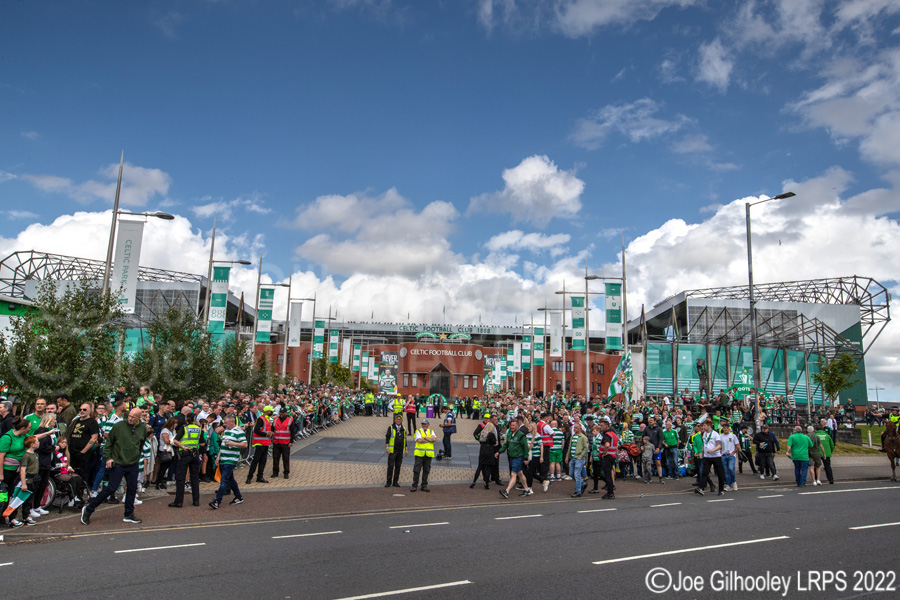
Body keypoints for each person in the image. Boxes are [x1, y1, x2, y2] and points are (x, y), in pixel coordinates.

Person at [80, 408, 150, 525]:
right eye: (129, 416)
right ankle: (88, 509)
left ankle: (128, 514)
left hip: (133, 463)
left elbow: (141, 443)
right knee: (111, 488)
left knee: (132, 488)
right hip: (118, 463)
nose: (130, 418)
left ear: (139, 418)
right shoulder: (119, 426)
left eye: (133, 417)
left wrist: (137, 456)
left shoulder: (142, 428)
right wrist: (108, 457)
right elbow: (108, 443)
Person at [209, 414, 246, 509]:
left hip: (231, 459)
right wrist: (218, 457)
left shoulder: (239, 431)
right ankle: (238, 496)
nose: (225, 425)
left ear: (232, 422)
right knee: (230, 479)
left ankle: (217, 501)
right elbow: (223, 445)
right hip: (223, 458)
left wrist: (233, 443)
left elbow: (244, 444)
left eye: (226, 423)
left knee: (224, 480)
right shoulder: (226, 431)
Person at [1, 417, 31, 527]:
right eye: (28, 428)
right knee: (3, 495)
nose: (29, 430)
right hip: (6, 470)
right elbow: (1, 457)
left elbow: (34, 438)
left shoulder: (23, 436)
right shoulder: (7, 437)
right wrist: (0, 474)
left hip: (16, 470)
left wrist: (48, 433)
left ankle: (8, 516)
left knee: (12, 494)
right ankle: (2, 517)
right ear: (23, 428)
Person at [169, 413, 203, 508]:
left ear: (186, 419)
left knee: (180, 478)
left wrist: (183, 447)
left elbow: (175, 440)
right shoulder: (198, 429)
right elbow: (202, 442)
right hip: (195, 454)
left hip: (184, 455)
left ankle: (178, 502)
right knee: (195, 479)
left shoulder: (184, 428)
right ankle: (196, 500)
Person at [496, 418, 533, 498]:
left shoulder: (521, 435)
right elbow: (506, 445)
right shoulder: (510, 434)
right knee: (520, 473)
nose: (512, 427)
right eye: (511, 425)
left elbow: (525, 447)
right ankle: (527, 490)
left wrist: (526, 458)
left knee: (513, 474)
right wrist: (499, 452)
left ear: (517, 426)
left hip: (518, 457)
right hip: (512, 457)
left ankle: (507, 491)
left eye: (513, 425)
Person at [695, 420, 725, 496]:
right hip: (707, 457)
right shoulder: (704, 434)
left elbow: (719, 445)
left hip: (716, 456)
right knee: (705, 472)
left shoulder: (715, 434)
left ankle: (721, 489)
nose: (703, 427)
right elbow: (704, 444)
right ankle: (701, 488)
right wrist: (701, 452)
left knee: (719, 473)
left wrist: (713, 450)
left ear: (709, 426)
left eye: (704, 425)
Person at [246, 406, 273, 484]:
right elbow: (256, 430)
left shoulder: (267, 419)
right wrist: (266, 434)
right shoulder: (261, 419)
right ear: (267, 411)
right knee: (256, 460)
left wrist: (269, 433)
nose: (271, 412)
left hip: (265, 443)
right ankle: (249, 477)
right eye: (270, 411)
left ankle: (260, 477)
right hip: (260, 443)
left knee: (263, 460)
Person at [410, 419, 436, 492]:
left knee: (426, 470)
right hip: (419, 454)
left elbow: (434, 439)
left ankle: (424, 485)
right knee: (416, 470)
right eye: (423, 424)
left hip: (428, 455)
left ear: (428, 425)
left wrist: (424, 438)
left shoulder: (431, 431)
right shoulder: (418, 431)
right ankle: (414, 485)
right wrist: (429, 439)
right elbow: (419, 440)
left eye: (425, 424)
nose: (424, 425)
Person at [470, 419, 497, 489]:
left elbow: (478, 438)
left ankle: (474, 481)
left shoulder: (482, 434)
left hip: (482, 450)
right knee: (488, 467)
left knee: (480, 466)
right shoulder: (491, 434)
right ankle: (486, 483)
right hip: (489, 451)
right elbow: (495, 443)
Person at [566, 422, 589, 498]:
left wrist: (581, 456)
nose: (574, 429)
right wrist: (567, 456)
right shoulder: (573, 437)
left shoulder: (583, 437)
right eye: (574, 428)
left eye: (576, 428)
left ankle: (577, 491)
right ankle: (582, 484)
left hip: (579, 458)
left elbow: (586, 448)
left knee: (577, 474)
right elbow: (570, 447)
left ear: (579, 429)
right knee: (571, 473)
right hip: (572, 458)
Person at [385, 414, 407, 488]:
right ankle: (388, 482)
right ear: (395, 420)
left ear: (402, 420)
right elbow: (387, 438)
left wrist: (406, 449)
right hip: (392, 450)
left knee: (398, 466)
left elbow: (405, 440)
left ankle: (395, 482)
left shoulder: (403, 428)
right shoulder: (391, 428)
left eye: (399, 419)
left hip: (400, 450)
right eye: (397, 419)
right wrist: (387, 448)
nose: (398, 420)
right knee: (390, 466)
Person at [270, 408, 293, 479]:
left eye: (283, 412)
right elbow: (272, 429)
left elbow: (292, 432)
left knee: (285, 458)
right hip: (276, 442)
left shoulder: (290, 420)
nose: (281, 414)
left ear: (286, 413)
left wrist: (291, 441)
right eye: (280, 412)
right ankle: (275, 472)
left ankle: (286, 472)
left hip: (285, 443)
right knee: (275, 458)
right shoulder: (275, 420)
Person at [720, 422, 739, 491]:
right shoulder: (720, 436)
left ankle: (734, 482)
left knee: (731, 469)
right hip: (723, 455)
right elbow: (719, 446)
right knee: (726, 471)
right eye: (724, 428)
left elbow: (737, 445)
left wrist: (733, 452)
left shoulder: (733, 436)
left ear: (729, 429)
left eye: (727, 428)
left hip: (731, 455)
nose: (725, 429)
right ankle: (728, 485)